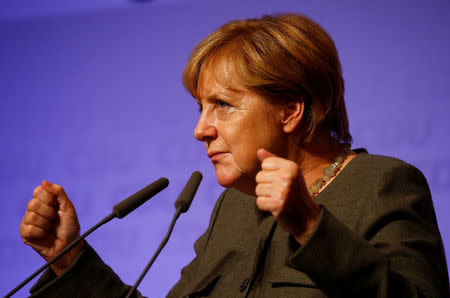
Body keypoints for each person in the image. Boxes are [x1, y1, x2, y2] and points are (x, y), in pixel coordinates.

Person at [20, 13, 449, 297]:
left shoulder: (382, 185)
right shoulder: (234, 209)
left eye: (222, 105)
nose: (200, 130)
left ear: (290, 110)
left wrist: (311, 228)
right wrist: (71, 255)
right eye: (200, 108)